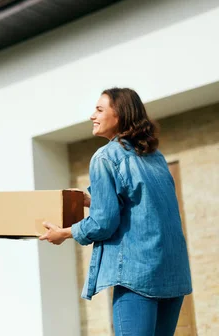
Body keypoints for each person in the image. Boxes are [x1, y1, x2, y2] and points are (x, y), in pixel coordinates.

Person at [39, 87, 191, 336]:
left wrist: (64, 233)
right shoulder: (155, 157)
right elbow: (142, 205)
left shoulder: (105, 157)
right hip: (172, 274)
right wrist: (93, 199)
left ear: (119, 115)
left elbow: (104, 222)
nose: (92, 116)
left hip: (136, 276)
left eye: (99, 109)